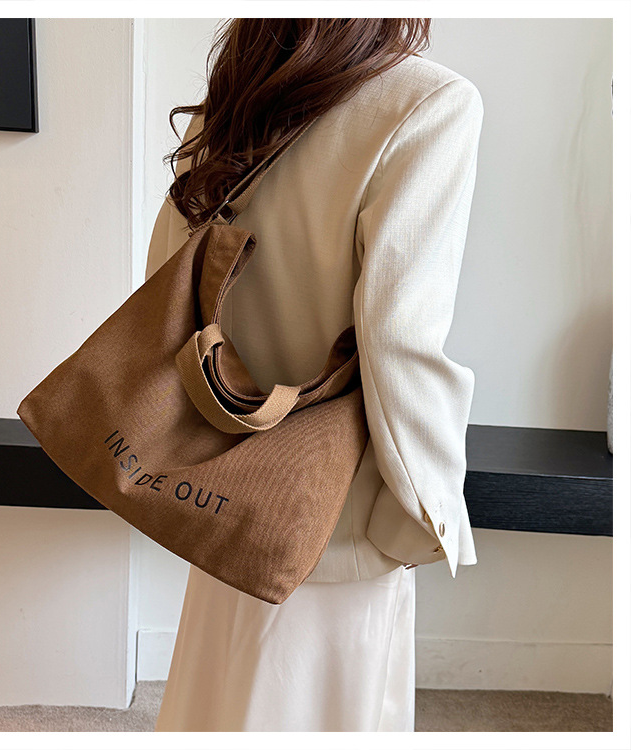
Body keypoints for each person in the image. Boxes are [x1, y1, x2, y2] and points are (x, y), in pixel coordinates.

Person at [144, 18, 483, 732]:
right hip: (335, 510)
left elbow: (165, 288)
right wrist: (430, 508)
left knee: (218, 704)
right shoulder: (428, 103)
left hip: (224, 489)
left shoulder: (237, 99)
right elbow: (399, 338)